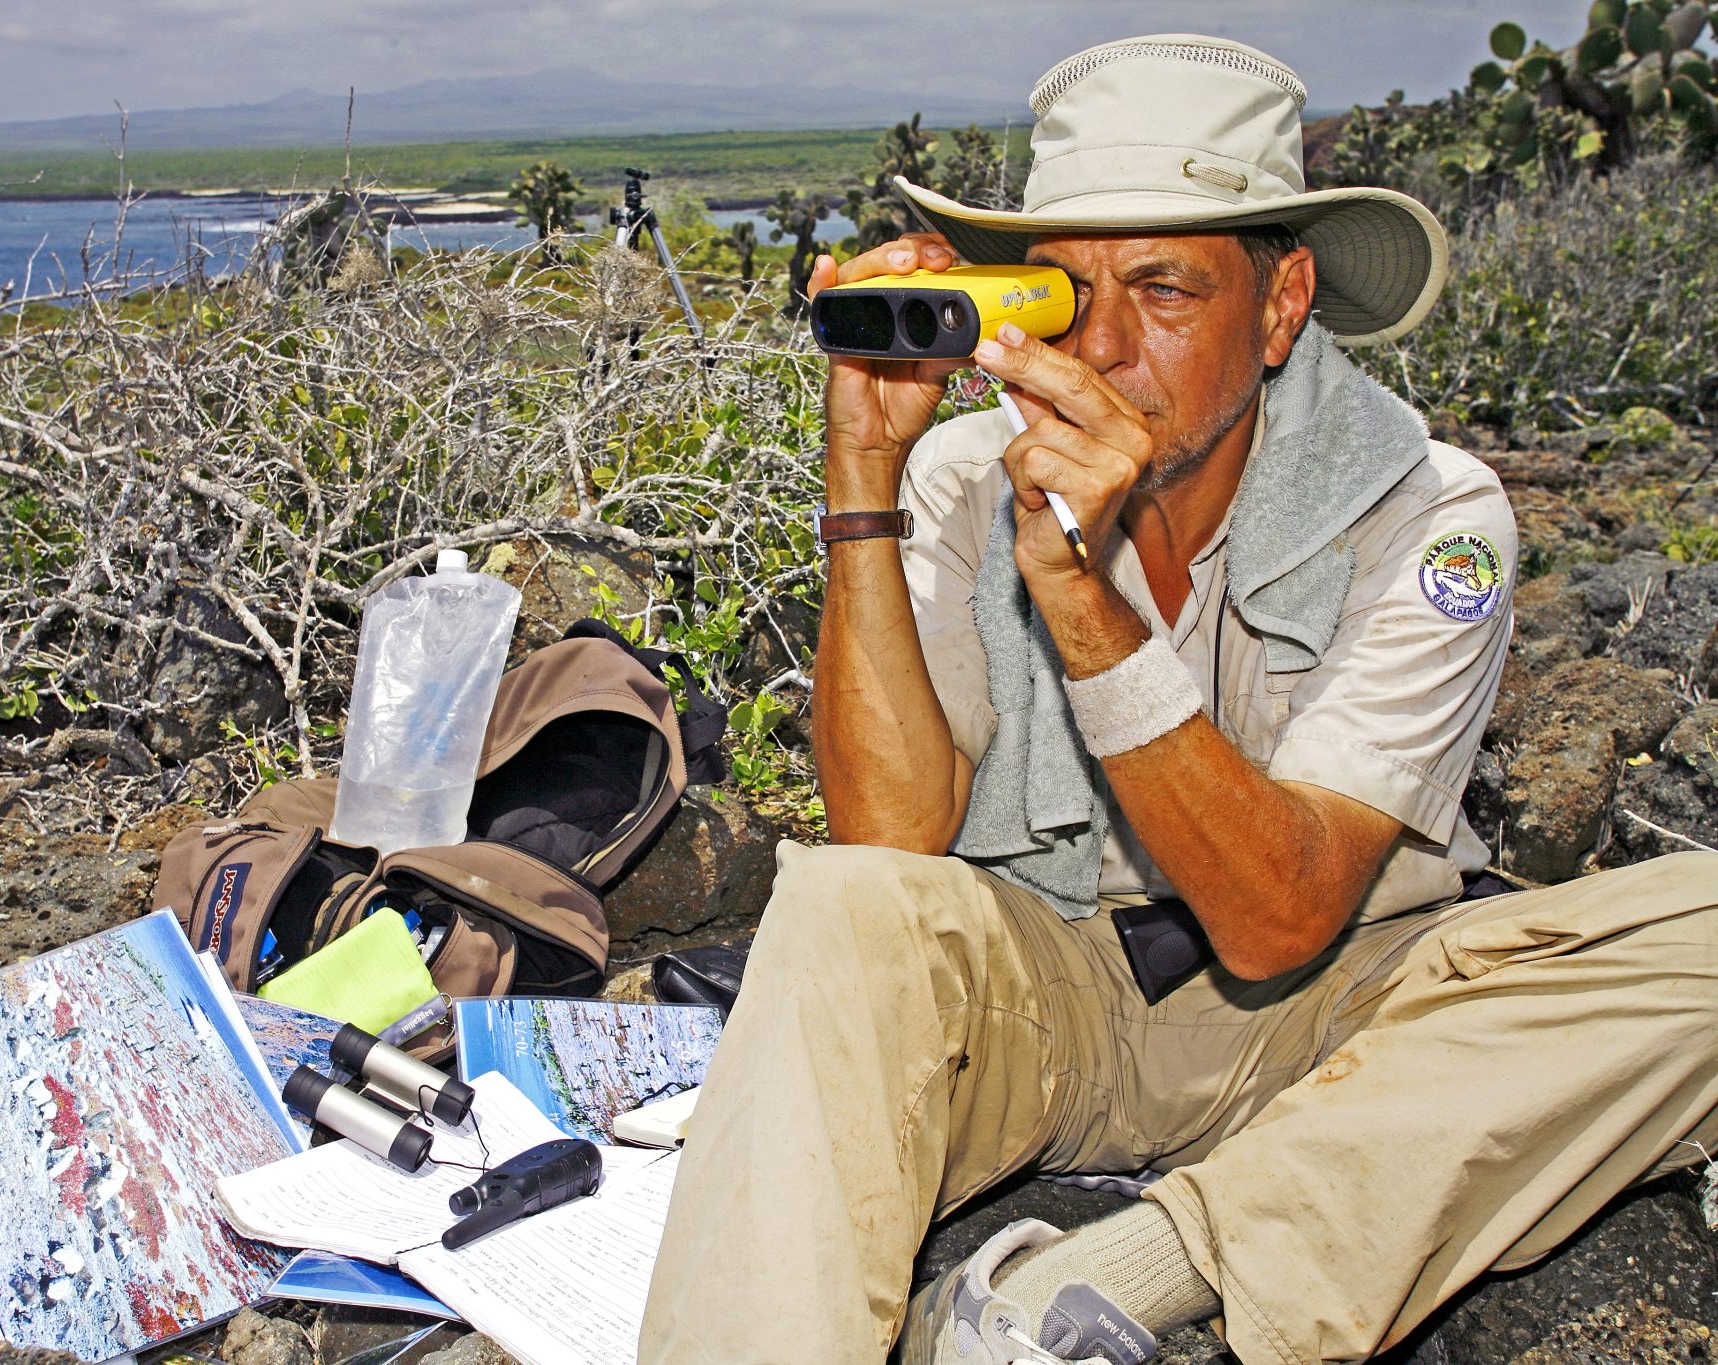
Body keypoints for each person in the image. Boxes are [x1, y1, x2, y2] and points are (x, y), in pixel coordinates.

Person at [636, 33, 1718, 1365]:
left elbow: (1280, 918)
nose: (1107, 342)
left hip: (1341, 1013)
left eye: (1165, 288)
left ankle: (1135, 1270)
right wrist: (861, 474)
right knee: (836, 904)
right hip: (1060, 985)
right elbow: (893, 840)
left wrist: (1085, 602)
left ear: (1281, 306)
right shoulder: (967, 477)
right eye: (1066, 292)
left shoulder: (1433, 514)